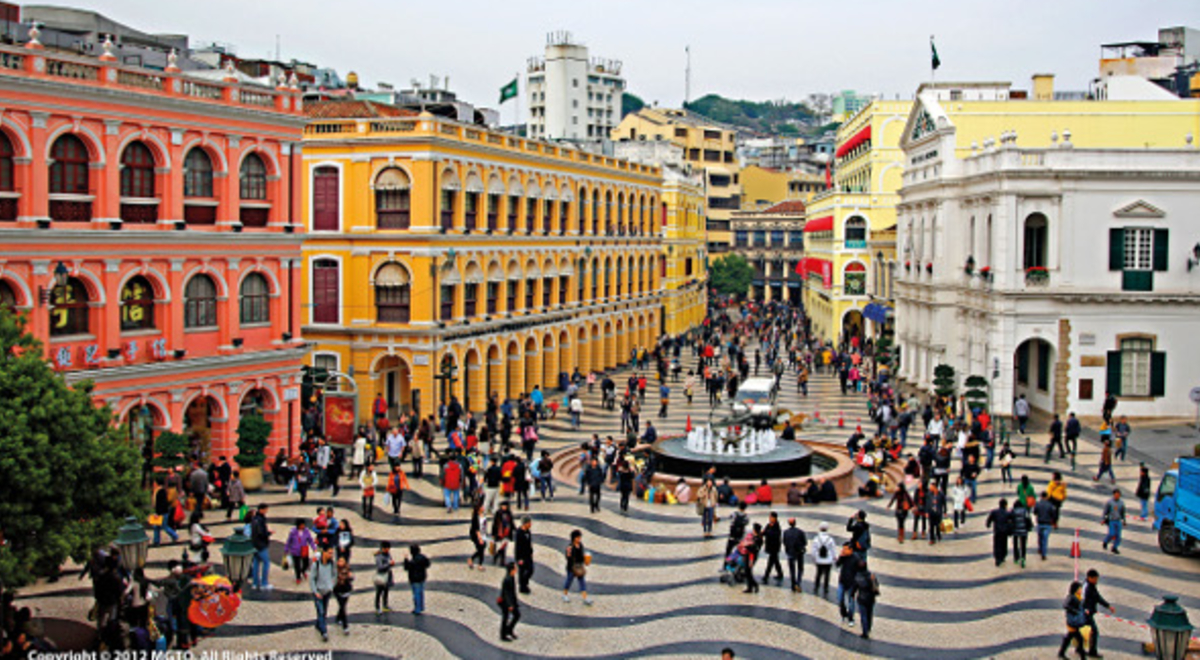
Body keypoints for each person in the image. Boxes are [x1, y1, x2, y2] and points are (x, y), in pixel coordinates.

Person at [1082, 568, 1114, 657]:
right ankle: (1092, 652)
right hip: (1086, 613)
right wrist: (1086, 609)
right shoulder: (1088, 588)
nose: (1096, 581)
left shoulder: (1088, 586)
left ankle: (1080, 648)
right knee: (1094, 632)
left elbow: (1097, 597)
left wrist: (1108, 606)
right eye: (1095, 579)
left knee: (1082, 631)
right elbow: (1090, 599)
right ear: (1090, 578)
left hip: (1086, 612)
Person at [310, 548, 336, 642]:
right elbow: (312, 579)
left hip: (327, 591)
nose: (331, 555)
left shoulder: (332, 564)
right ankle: (324, 632)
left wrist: (331, 586)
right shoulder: (316, 565)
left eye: (332, 553)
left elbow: (334, 575)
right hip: (318, 592)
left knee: (324, 611)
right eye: (329, 553)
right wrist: (315, 591)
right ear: (324, 553)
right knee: (320, 611)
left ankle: (318, 624)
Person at [1059, 581, 1089, 660]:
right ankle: (1082, 656)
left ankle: (1061, 653)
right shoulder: (1071, 597)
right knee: (1079, 639)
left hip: (1074, 622)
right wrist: (1075, 611)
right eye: (1080, 589)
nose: (1081, 590)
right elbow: (1065, 605)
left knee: (1069, 637)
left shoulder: (1077, 597)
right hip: (1073, 622)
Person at [562, 529, 592, 605]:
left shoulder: (580, 545)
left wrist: (585, 560)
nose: (579, 539)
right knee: (569, 581)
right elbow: (568, 557)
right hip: (571, 567)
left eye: (580, 537)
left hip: (579, 566)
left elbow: (581, 555)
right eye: (578, 537)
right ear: (574, 538)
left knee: (582, 581)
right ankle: (565, 594)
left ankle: (585, 597)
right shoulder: (570, 547)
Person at [403, 544, 431, 615]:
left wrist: (406, 560)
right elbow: (428, 564)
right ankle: (421, 606)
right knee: (420, 592)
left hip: (414, 579)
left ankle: (417, 608)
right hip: (422, 577)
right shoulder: (422, 557)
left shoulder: (413, 560)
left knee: (416, 594)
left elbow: (407, 567)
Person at [286, 519, 316, 584]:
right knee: (297, 565)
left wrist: (314, 547)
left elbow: (310, 540)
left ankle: (303, 570)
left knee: (306, 563)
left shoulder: (306, 531)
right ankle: (298, 577)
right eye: (301, 525)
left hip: (303, 550)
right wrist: (286, 549)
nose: (303, 526)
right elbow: (289, 541)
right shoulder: (293, 532)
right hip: (295, 550)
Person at [810, 522, 836, 597]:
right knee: (827, 574)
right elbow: (833, 549)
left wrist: (814, 557)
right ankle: (826, 587)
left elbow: (814, 550)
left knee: (818, 573)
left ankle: (816, 586)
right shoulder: (830, 539)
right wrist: (834, 557)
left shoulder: (816, 539)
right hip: (828, 560)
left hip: (819, 559)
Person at [250, 504, 272, 590]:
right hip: (261, 544)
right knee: (266, 563)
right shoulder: (260, 520)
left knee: (256, 563)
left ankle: (255, 583)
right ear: (261, 510)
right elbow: (261, 532)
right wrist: (268, 533)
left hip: (254, 544)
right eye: (266, 509)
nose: (267, 511)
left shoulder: (254, 519)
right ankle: (264, 583)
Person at [782, 518, 807, 593]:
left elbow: (784, 542)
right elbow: (805, 542)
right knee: (800, 568)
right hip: (799, 552)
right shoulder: (800, 532)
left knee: (792, 569)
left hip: (790, 552)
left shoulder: (786, 532)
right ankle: (798, 582)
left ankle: (793, 584)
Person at [854, 564, 879, 640]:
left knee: (863, 615)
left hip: (862, 598)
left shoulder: (858, 577)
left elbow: (855, 587)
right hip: (871, 598)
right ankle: (868, 628)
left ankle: (865, 632)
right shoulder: (871, 576)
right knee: (869, 614)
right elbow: (877, 585)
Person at [499, 562, 521, 642]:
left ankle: (508, 630)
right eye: (515, 568)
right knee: (506, 617)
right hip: (506, 602)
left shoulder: (511, 577)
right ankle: (503, 634)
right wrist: (510, 605)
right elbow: (507, 593)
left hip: (510, 602)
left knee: (515, 615)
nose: (516, 569)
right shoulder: (508, 579)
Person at [985, 499, 1011, 566]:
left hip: (997, 531)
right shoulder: (1007, 513)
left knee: (997, 545)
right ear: (1005, 505)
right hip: (1004, 531)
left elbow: (989, 519)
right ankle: (1002, 556)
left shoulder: (994, 512)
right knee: (1004, 544)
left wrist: (988, 524)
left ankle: (997, 558)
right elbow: (1010, 522)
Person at [1034, 491, 1058, 560]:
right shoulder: (1050, 505)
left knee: (1040, 537)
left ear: (1041, 496)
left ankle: (1040, 548)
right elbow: (1053, 514)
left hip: (1040, 523)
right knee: (1045, 539)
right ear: (1047, 497)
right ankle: (1044, 554)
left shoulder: (1038, 504)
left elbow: (1035, 512)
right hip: (1047, 524)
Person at [761, 512, 784, 585]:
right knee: (776, 561)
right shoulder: (769, 525)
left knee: (771, 562)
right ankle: (780, 573)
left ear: (775, 518)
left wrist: (767, 532)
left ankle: (766, 576)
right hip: (770, 546)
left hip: (774, 547)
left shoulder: (776, 526)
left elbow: (773, 535)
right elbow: (764, 532)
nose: (769, 518)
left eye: (771, 517)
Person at [333, 557, 354, 635]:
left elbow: (352, 578)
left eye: (342, 561)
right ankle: (345, 627)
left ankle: (338, 618)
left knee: (342, 606)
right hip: (337, 591)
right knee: (342, 607)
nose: (340, 562)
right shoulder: (334, 570)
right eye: (339, 561)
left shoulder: (348, 569)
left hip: (346, 590)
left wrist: (350, 576)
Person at [373, 542, 395, 615]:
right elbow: (380, 567)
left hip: (388, 574)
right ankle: (377, 607)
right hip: (381, 575)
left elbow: (390, 561)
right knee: (379, 592)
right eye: (386, 549)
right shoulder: (379, 556)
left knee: (386, 591)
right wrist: (388, 564)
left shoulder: (388, 554)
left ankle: (385, 605)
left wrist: (391, 564)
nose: (388, 550)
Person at [1009, 497, 1031, 568]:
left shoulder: (1013, 511)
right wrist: (1029, 527)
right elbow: (1028, 519)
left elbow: (1010, 520)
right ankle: (1023, 557)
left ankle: (1016, 557)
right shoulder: (1025, 511)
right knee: (1023, 545)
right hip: (1023, 530)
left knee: (1015, 544)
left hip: (1015, 530)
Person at [1101, 489, 1125, 555]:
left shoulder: (1121, 503)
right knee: (1111, 533)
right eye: (1116, 495)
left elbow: (1123, 512)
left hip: (1118, 520)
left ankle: (1114, 547)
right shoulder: (1110, 502)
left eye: (1118, 495)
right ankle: (1106, 541)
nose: (1117, 496)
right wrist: (1103, 519)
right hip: (1111, 520)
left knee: (1118, 536)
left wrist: (1124, 520)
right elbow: (1105, 511)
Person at [515, 517, 534, 594]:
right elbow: (518, 546)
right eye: (529, 523)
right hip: (521, 556)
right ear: (525, 523)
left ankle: (524, 583)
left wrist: (531, 552)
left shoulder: (528, 532)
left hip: (528, 555)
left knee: (530, 570)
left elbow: (529, 543)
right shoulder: (519, 533)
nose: (530, 524)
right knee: (522, 571)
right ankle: (522, 586)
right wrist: (519, 558)